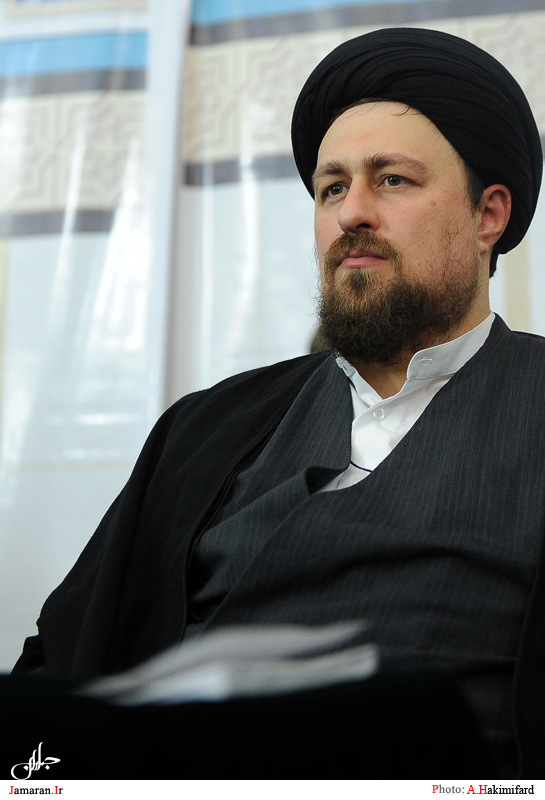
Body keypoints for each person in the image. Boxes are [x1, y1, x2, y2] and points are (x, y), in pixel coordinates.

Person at [12, 28, 545, 778]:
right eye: (332, 188)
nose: (351, 213)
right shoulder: (208, 430)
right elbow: (59, 667)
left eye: (392, 180)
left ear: (487, 215)